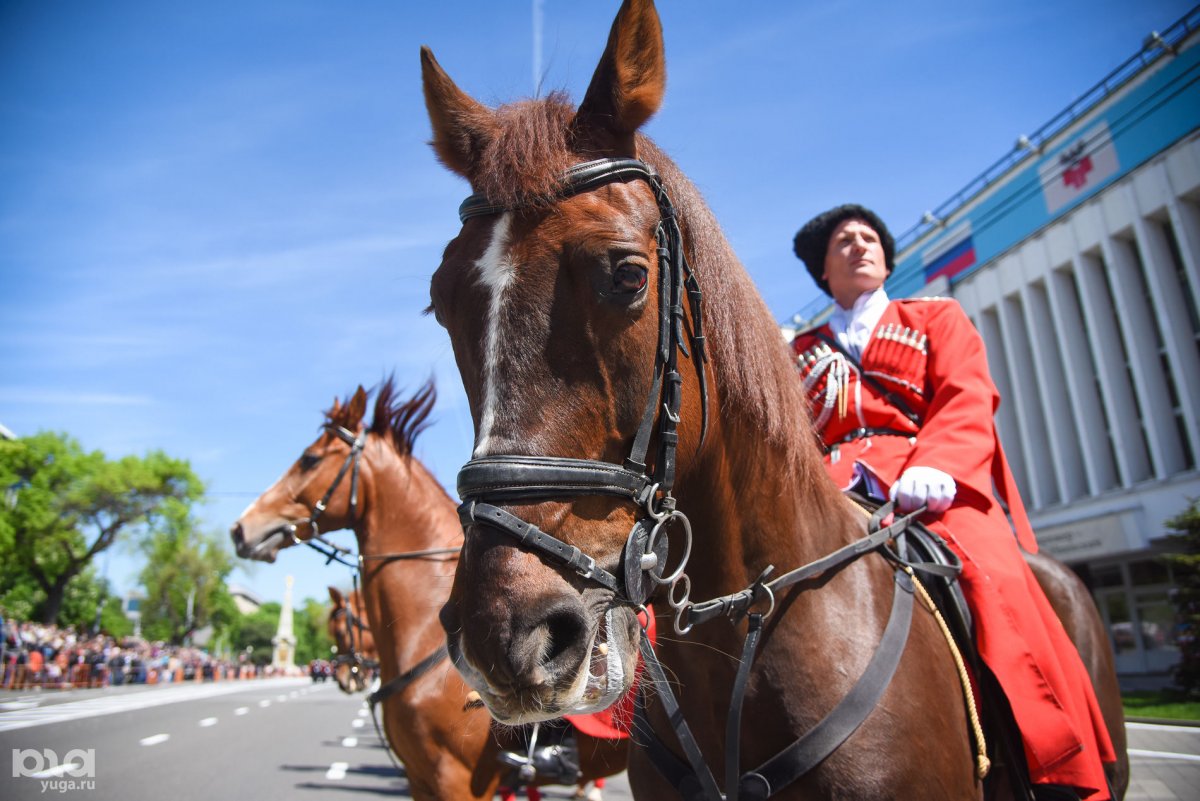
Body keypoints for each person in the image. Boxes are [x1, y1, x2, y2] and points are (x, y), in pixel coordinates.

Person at [790, 204, 1116, 800]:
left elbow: (967, 394)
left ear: (886, 258)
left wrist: (937, 464)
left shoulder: (935, 316)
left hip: (930, 477)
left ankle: (1048, 755)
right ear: (822, 269)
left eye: (870, 238)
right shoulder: (799, 350)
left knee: (996, 577)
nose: (861, 246)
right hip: (823, 485)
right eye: (844, 241)